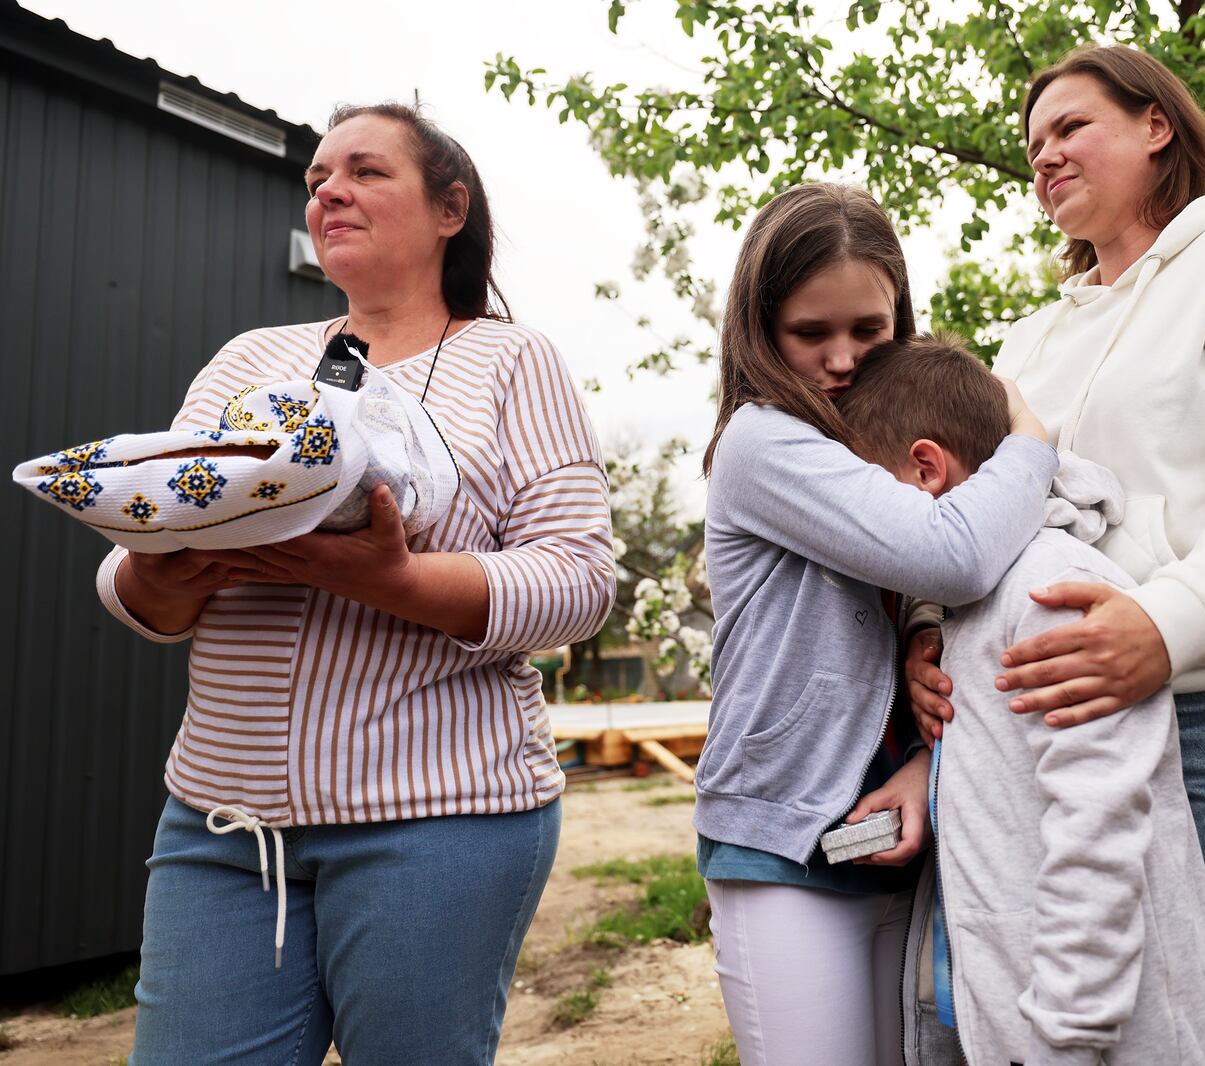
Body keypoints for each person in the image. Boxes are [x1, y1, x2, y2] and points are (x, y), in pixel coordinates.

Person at [102, 103, 615, 1064]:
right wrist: (160, 564)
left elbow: (580, 580)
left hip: (441, 827)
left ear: (450, 207)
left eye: (366, 171)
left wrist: (395, 579)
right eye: (317, 179)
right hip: (223, 828)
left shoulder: (512, 361)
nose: (328, 190)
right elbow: (147, 589)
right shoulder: (247, 362)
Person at [907, 46, 1205, 1065]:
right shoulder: (1030, 341)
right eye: (1032, 147)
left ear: (1156, 124)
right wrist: (927, 634)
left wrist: (1166, 626)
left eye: (1070, 127)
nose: (1044, 157)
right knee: (1132, 1037)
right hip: (1069, 733)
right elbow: (988, 515)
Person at [694, 183, 1060, 1066]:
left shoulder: (887, 444)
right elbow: (955, 555)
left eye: (869, 331)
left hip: (898, 828)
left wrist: (927, 757)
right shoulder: (764, 443)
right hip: (784, 840)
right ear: (758, 326)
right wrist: (1031, 442)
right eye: (810, 333)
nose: (842, 358)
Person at [837, 334, 1205, 1066]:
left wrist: (1066, 1032)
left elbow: (1099, 824)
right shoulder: (969, 606)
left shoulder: (1054, 591)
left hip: (1095, 1040)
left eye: (870, 498)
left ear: (925, 469)